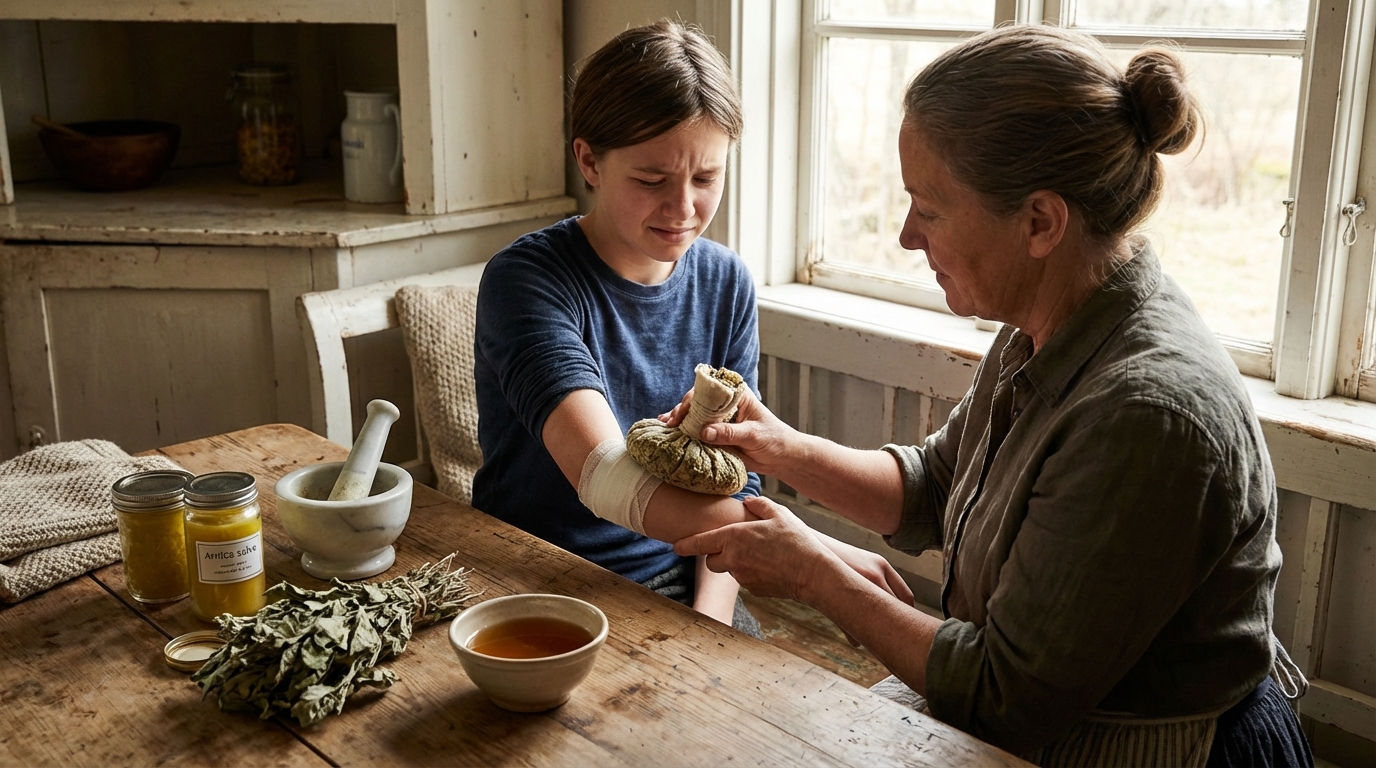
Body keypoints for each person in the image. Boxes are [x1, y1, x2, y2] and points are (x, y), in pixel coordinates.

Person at [670, 24, 1313, 768]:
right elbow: (938, 486)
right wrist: (774, 445)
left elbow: (1006, 696)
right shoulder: (1049, 320)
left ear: (1040, 222)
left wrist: (816, 575)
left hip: (1150, 744)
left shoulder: (1147, 416)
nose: (907, 236)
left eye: (929, 208)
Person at [473, 20, 909, 635]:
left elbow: (734, 478)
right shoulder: (526, 280)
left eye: (706, 178)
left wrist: (710, 621)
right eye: (651, 180)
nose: (683, 209)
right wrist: (816, 553)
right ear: (589, 160)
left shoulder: (726, 281)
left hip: (686, 566)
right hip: (538, 576)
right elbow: (604, 473)